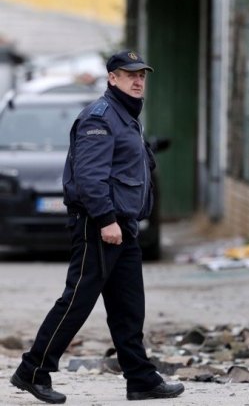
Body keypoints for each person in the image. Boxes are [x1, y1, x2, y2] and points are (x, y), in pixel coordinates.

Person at [10, 50, 184, 403]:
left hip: (125, 227)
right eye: (128, 74)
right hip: (99, 226)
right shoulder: (100, 118)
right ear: (112, 79)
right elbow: (90, 178)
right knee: (76, 301)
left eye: (141, 75)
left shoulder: (127, 117)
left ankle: (141, 379)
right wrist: (106, 220)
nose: (137, 81)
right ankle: (33, 370)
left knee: (129, 307)